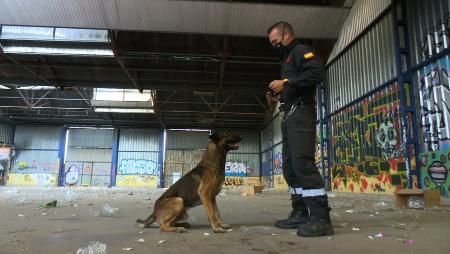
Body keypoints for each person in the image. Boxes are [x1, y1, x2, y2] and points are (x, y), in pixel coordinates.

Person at [266, 21, 333, 237]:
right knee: (289, 167)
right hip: (289, 115)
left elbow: (317, 74)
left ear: (286, 34)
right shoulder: (287, 59)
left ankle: (321, 218)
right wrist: (277, 96)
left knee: (302, 163)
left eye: (275, 41)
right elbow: (293, 85)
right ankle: (300, 212)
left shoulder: (301, 51)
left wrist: (286, 82)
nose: (274, 45)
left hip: (302, 114)